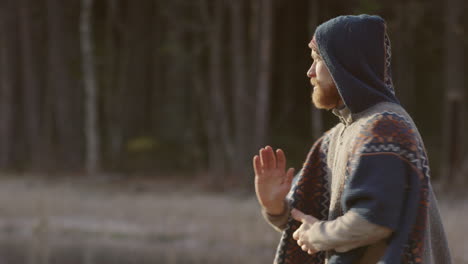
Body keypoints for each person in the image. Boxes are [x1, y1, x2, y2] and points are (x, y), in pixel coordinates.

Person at [253, 15, 452, 264]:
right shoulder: (336, 138)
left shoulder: (385, 126)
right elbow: (306, 224)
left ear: (344, 64)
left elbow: (373, 221)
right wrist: (275, 206)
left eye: (318, 59)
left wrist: (319, 235)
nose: (310, 71)